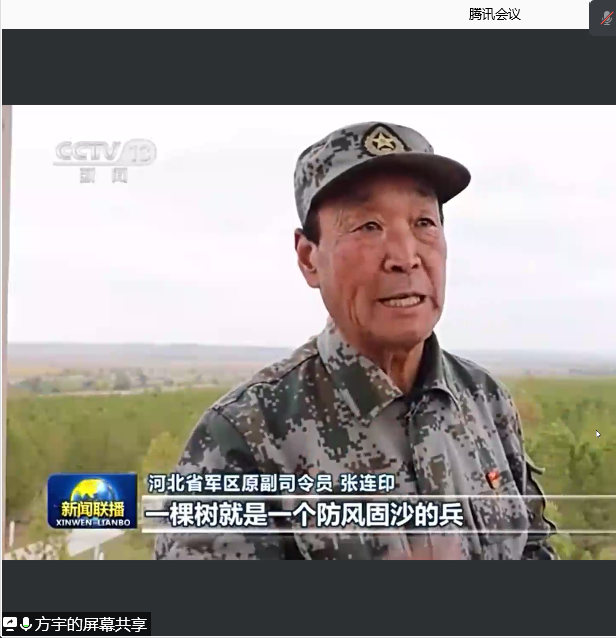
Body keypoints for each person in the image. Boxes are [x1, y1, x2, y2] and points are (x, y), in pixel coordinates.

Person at [154, 121, 556, 560]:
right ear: (309, 258)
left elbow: (533, 550)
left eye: (424, 222)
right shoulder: (247, 436)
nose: (405, 257)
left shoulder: (485, 402)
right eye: (368, 226)